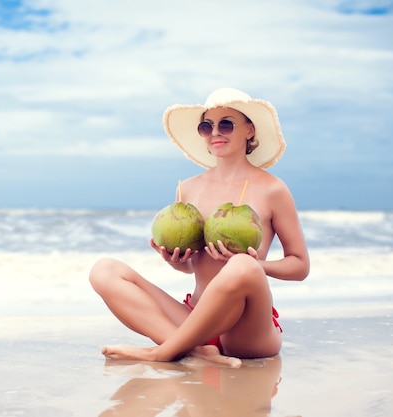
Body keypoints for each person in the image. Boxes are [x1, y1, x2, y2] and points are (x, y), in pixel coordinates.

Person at [89, 88, 310, 366]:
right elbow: (196, 267)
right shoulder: (188, 189)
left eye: (226, 124)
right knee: (104, 270)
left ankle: (163, 352)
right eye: (207, 126)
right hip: (194, 318)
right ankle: (195, 351)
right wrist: (176, 262)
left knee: (243, 266)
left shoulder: (273, 189)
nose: (215, 132)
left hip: (246, 327)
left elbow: (300, 265)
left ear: (249, 130)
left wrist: (254, 265)